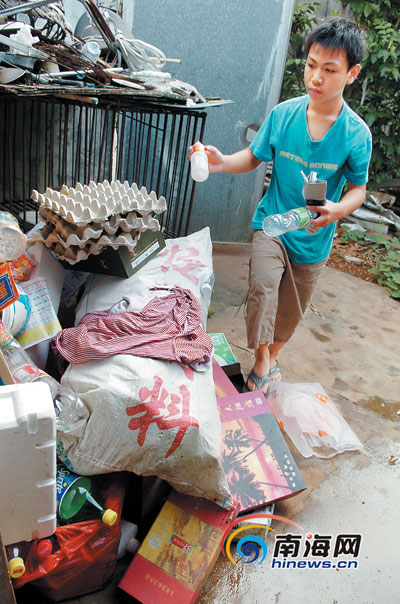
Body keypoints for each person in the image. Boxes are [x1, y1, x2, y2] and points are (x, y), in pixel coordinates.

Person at [189, 17, 372, 394]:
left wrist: (339, 210)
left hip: (313, 237)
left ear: (351, 74)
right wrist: (223, 162)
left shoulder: (356, 135)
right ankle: (262, 363)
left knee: (290, 313)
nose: (315, 78)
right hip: (272, 223)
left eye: (329, 70)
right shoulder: (283, 115)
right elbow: (253, 158)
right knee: (264, 287)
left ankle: (270, 356)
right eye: (310, 66)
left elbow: (359, 189)